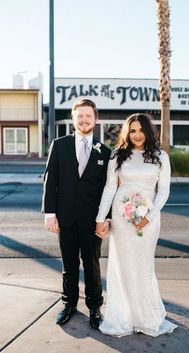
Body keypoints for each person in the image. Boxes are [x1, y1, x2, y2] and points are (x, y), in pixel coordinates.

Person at [96, 113, 177, 337]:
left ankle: (145, 317)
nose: (137, 135)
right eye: (133, 130)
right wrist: (100, 218)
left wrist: (148, 217)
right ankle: (123, 316)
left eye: (141, 130)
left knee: (143, 265)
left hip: (148, 219)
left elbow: (164, 191)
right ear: (127, 132)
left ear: (148, 132)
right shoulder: (117, 155)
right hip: (122, 218)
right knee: (121, 266)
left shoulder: (161, 157)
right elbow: (110, 188)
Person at [42, 99, 111, 328]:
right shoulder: (59, 145)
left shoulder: (104, 151)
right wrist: (49, 212)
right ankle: (69, 304)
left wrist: (106, 218)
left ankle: (94, 308)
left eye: (88, 116)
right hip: (66, 218)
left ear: (95, 119)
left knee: (92, 265)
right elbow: (50, 180)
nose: (84, 120)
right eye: (79, 116)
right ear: (73, 118)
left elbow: (107, 189)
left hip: (92, 220)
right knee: (68, 265)